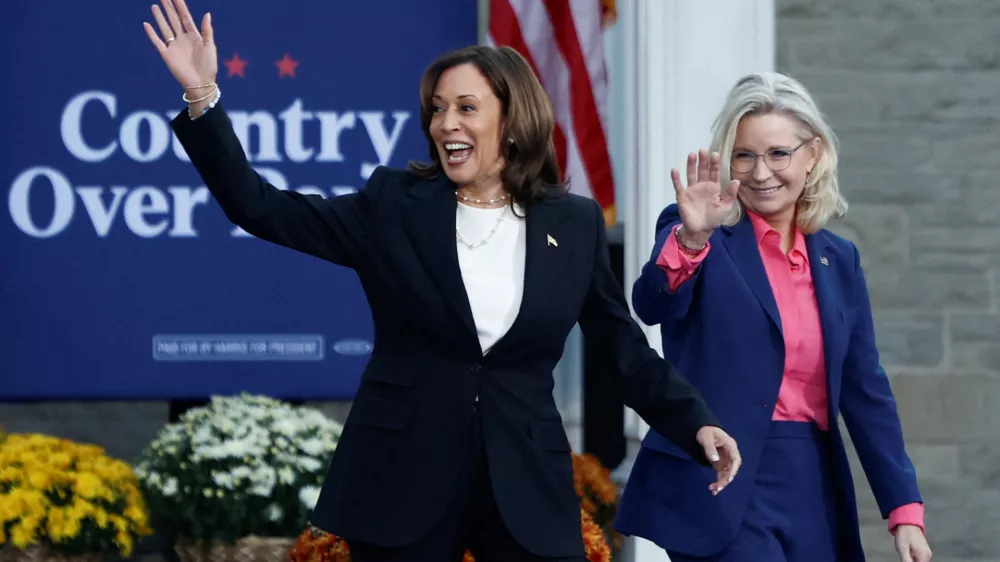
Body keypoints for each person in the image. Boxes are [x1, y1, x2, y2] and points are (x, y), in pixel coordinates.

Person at [141, 1, 742, 560]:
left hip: (525, 488)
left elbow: (622, 346)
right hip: (402, 479)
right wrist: (202, 95)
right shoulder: (394, 206)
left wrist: (694, 421)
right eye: (437, 108)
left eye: (465, 107)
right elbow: (259, 207)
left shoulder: (573, 222)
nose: (444, 122)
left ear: (511, 120)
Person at [613, 72, 932, 562]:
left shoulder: (837, 259)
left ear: (814, 155)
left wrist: (904, 508)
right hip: (722, 474)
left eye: (778, 153)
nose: (761, 172)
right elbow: (652, 305)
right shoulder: (698, 233)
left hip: (812, 483)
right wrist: (692, 240)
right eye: (745, 155)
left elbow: (865, 390)